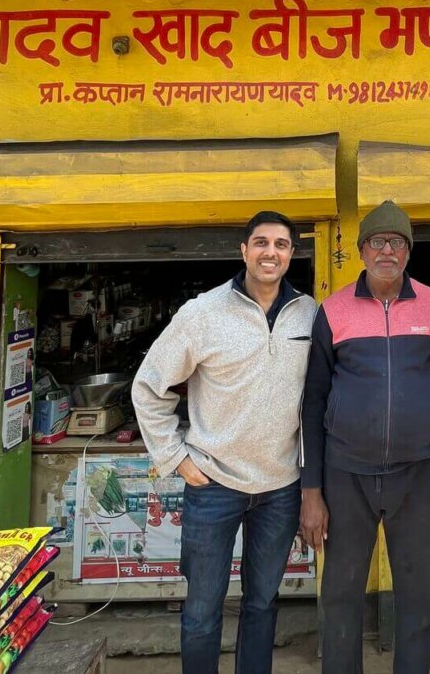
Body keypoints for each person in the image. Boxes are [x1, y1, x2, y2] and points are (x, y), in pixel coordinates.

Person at [132, 211, 317, 674]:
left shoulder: (310, 314)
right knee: (202, 609)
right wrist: (175, 456)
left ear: (291, 253)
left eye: (280, 244)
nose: (270, 252)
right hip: (213, 485)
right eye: (260, 243)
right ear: (244, 251)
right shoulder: (202, 313)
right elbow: (149, 386)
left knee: (261, 602)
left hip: (280, 486)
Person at [299, 200, 430, 674]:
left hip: (421, 476)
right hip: (344, 476)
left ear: (408, 251)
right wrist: (310, 491)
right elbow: (311, 403)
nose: (387, 251)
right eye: (377, 241)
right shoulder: (332, 311)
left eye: (397, 242)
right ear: (361, 251)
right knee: (340, 596)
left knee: (418, 599)